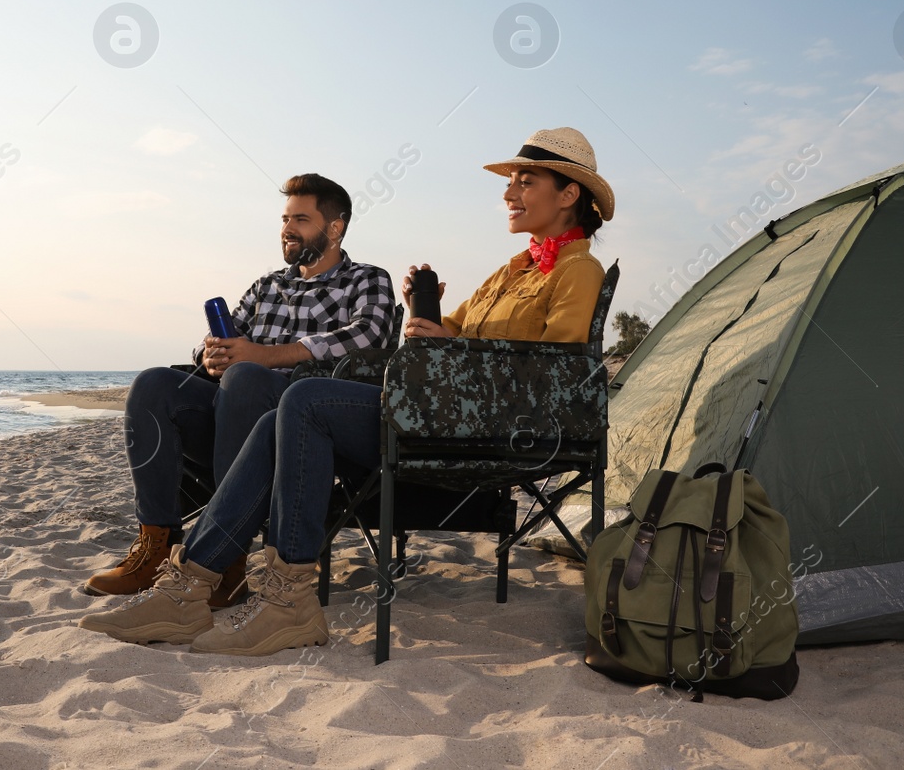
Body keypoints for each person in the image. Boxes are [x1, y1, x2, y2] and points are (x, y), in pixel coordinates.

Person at [79, 128, 614, 655]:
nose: (508, 191)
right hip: (440, 410)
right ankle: (189, 587)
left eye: (525, 180)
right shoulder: (510, 270)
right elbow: (455, 335)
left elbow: (555, 374)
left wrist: (449, 354)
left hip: (485, 426)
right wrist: (431, 326)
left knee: (302, 399)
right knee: (276, 415)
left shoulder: (578, 269)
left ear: (568, 194)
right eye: (511, 180)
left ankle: (279, 601)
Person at [82, 173, 396, 611]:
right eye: (285, 218)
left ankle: (225, 560)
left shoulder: (367, 280)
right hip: (229, 415)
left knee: (247, 376)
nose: (287, 228)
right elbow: (214, 343)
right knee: (154, 382)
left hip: (298, 425)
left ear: (335, 228)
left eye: (301, 219)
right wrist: (211, 355)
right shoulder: (267, 285)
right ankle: (155, 544)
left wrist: (266, 357)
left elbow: (371, 337)